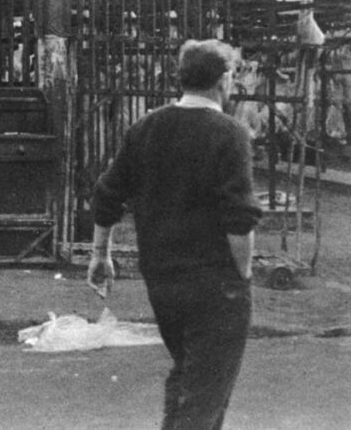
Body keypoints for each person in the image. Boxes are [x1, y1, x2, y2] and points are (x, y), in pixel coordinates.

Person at [87, 39, 263, 430]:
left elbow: (106, 194)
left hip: (163, 281)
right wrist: (244, 275)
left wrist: (101, 254)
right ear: (224, 79)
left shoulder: (146, 128)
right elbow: (239, 220)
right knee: (205, 395)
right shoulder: (230, 133)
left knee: (192, 378)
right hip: (216, 284)